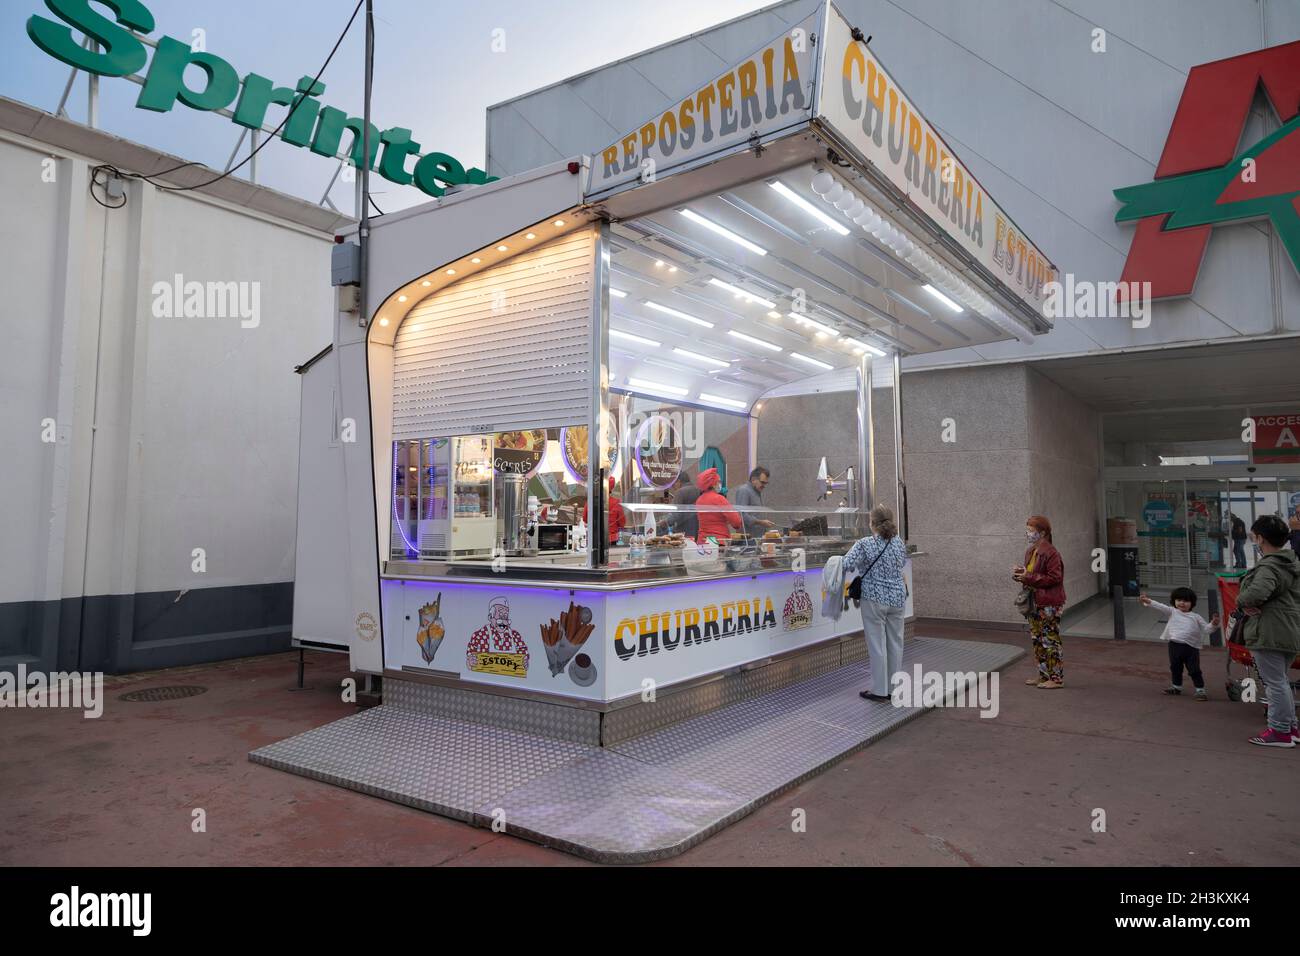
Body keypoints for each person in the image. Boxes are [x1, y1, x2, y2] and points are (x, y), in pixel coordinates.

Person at [1234, 515, 1300, 748]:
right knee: (1281, 681)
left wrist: (1242, 600)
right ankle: (1290, 727)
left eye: (1255, 536)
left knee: (1275, 684)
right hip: (1287, 629)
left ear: (1261, 538)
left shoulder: (1270, 565)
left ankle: (1280, 732)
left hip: (1269, 630)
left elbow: (1256, 593)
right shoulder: (1290, 562)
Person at [844, 505, 908, 701]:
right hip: (897, 598)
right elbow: (902, 564)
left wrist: (832, 563)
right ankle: (893, 688)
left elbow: (846, 564)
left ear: (872, 523)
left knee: (877, 645)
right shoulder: (898, 543)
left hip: (874, 599)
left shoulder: (865, 543)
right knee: (895, 643)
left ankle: (880, 690)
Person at [1013, 515, 1066, 689]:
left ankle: (1056, 678)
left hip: (1049, 603)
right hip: (1035, 602)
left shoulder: (1050, 552)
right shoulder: (1031, 551)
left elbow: (1055, 578)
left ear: (1042, 533)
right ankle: (1043, 675)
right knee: (1037, 640)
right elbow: (1033, 574)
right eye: (1027, 530)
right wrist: (1021, 573)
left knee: (1050, 640)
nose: (1028, 533)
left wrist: (1028, 576)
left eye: (1031, 530)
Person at [1139, 587, 1219, 700]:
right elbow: (1160, 606)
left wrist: (1213, 624)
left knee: (1194, 669)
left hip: (1191, 648)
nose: (1182, 603)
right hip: (1174, 646)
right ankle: (1176, 687)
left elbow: (1207, 629)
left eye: (1186, 601)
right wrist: (1148, 601)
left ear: (1192, 603)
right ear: (1174, 601)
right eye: (1178, 600)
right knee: (1175, 667)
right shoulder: (1172, 611)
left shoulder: (1196, 617)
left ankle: (1200, 690)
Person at [693, 468, 742, 544]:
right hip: (719, 542)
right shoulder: (719, 498)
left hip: (702, 541)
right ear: (713, 483)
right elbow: (736, 521)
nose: (720, 484)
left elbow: (710, 518)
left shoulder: (699, 500)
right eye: (719, 481)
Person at [731, 466, 775, 537]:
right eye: (762, 482)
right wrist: (760, 522)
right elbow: (742, 515)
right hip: (748, 538)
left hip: (758, 536)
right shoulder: (744, 490)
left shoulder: (757, 491)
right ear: (753, 479)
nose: (764, 485)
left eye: (766, 483)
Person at [581, 476, 625, 545]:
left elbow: (585, 518)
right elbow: (622, 523)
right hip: (611, 539)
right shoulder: (616, 502)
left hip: (594, 537)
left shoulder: (591, 501)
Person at [670, 472, 703, 540]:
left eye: (673, 484)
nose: (672, 487)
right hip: (698, 529)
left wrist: (666, 522)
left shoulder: (680, 492)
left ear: (678, 481)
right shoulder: (698, 490)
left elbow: (676, 514)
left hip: (683, 530)